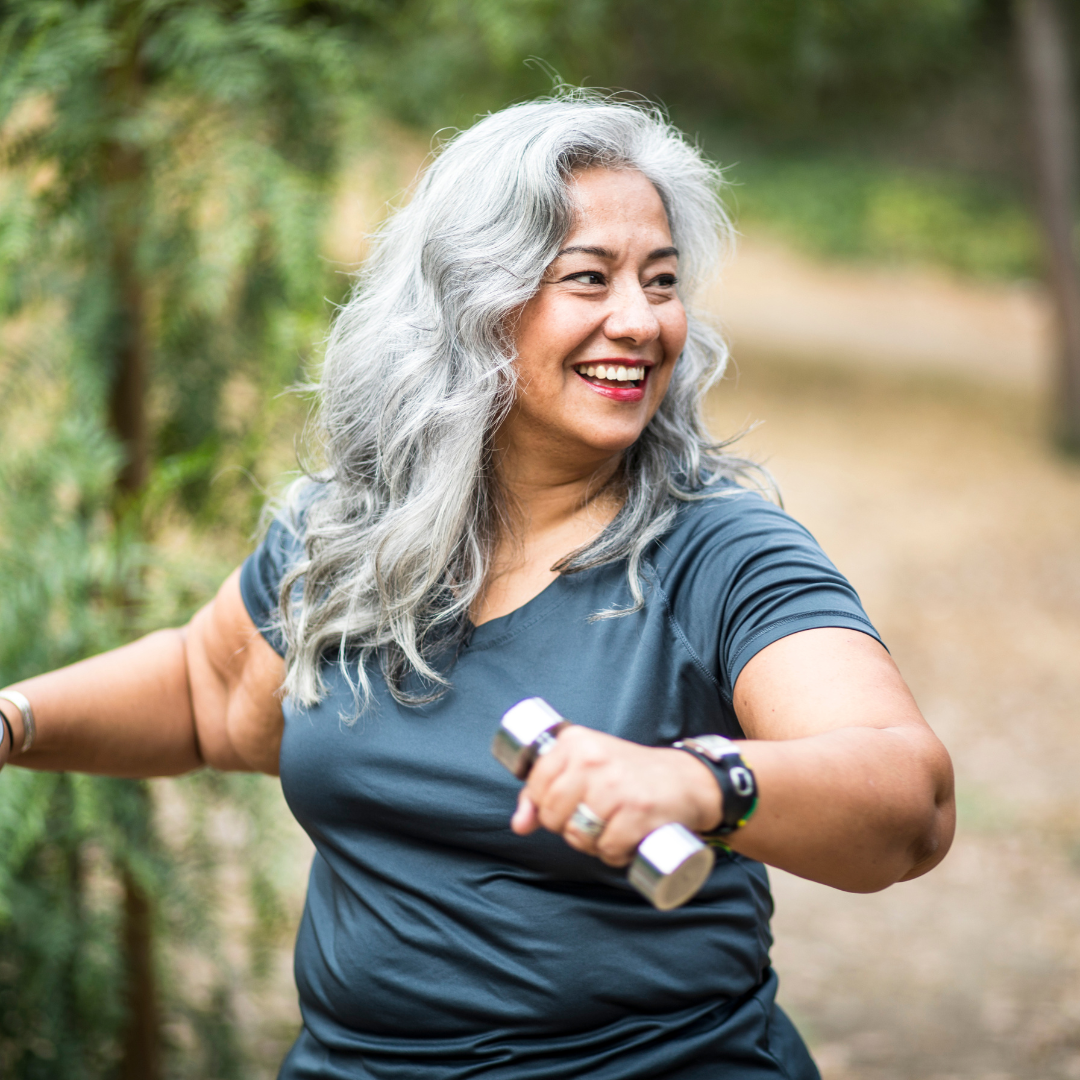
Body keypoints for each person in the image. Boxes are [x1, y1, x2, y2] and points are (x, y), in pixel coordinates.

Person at [0, 92, 954, 1079]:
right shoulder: (351, 531)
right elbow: (209, 696)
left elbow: (908, 801)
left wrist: (701, 780)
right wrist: (13, 721)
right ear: (472, 302)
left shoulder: (722, 554)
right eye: (589, 279)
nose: (639, 321)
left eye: (661, 281)